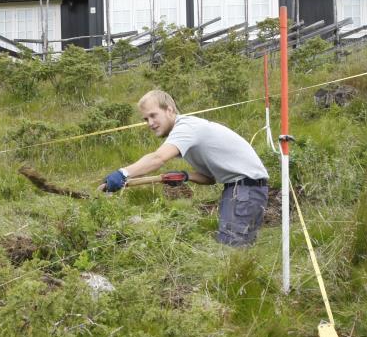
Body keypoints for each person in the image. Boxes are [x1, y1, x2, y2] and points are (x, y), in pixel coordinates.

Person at [101, 90, 270, 247]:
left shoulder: (186, 128)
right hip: (240, 189)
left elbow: (157, 158)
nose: (150, 123)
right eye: (146, 119)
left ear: (169, 110)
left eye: (153, 115)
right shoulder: (186, 132)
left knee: (231, 251)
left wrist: (123, 173)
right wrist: (185, 176)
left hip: (244, 190)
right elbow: (210, 178)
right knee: (236, 252)